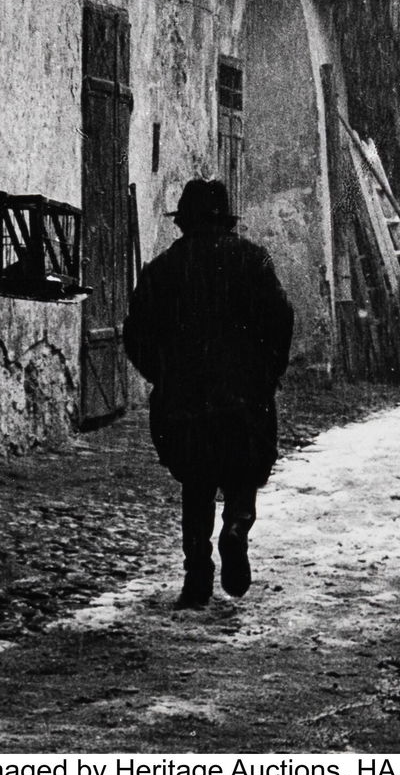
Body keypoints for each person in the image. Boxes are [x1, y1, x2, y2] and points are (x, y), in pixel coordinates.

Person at [123, 178, 294, 608]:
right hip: (244, 396)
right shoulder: (253, 260)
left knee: (196, 485)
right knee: (243, 473)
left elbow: (136, 333)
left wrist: (162, 376)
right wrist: (266, 373)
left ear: (184, 222)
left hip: (185, 399)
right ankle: (236, 528)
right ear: (225, 220)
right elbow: (281, 318)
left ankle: (197, 576)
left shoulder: (162, 270)